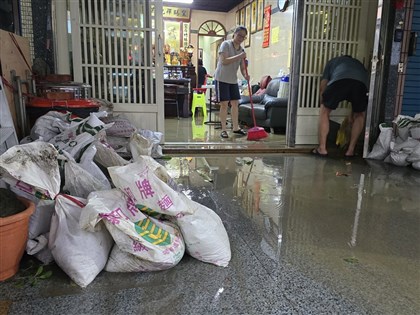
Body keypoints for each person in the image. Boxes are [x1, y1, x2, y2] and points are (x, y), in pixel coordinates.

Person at [313, 55, 369, 157]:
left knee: (324, 111)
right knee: (360, 115)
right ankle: (350, 150)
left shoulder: (332, 62)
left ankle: (322, 148)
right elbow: (356, 85)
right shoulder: (359, 64)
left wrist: (323, 102)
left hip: (339, 81)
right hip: (360, 85)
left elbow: (323, 85)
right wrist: (353, 113)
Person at [214, 26, 250, 138]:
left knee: (235, 104)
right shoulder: (225, 44)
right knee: (224, 104)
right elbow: (224, 61)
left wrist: (245, 75)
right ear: (234, 34)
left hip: (233, 80)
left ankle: (235, 128)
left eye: (243, 37)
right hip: (221, 78)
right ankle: (224, 130)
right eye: (239, 35)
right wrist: (240, 56)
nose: (240, 38)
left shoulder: (242, 50)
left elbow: (243, 67)